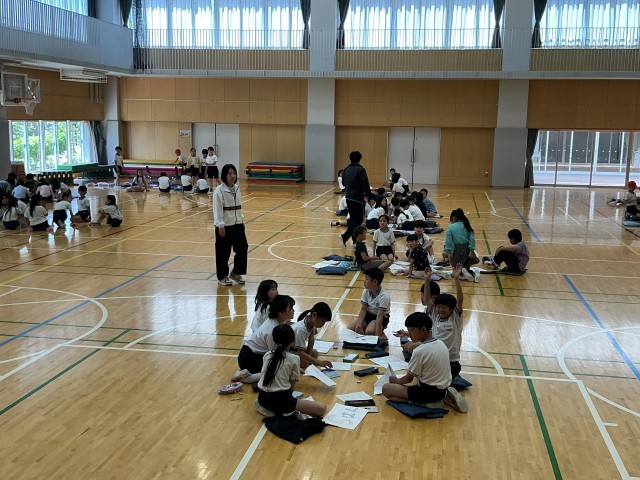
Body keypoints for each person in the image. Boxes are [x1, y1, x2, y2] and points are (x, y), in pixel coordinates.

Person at [416, 264, 469, 412]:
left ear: (451, 309)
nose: (441, 310)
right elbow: (427, 299)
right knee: (422, 382)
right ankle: (447, 393)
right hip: (436, 359)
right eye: (439, 307)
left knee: (433, 387)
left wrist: (456, 279)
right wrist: (427, 280)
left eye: (444, 307)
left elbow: (460, 300)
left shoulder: (455, 318)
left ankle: (446, 393)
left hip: (451, 362)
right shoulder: (434, 315)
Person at [255, 323, 327, 418]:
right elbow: (292, 387)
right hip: (281, 400)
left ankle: (268, 409)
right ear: (293, 341)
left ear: (274, 340)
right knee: (322, 409)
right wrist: (291, 402)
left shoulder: (267, 355)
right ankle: (279, 411)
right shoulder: (294, 358)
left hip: (262, 398)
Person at [382, 312, 451, 408]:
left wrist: (396, 381)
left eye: (412, 330)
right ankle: (440, 397)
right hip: (442, 389)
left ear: (423, 330)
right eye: (408, 330)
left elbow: (408, 379)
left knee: (386, 389)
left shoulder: (419, 351)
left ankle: (428, 403)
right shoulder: (441, 343)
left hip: (428, 392)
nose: (409, 334)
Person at [235, 295, 296, 382]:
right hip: (249, 358)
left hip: (257, 355)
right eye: (291, 308)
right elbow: (274, 355)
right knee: (277, 372)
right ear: (281, 313)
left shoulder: (276, 321)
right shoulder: (271, 330)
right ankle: (245, 378)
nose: (293, 310)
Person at [213, 164, 248, 286]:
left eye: (234, 173)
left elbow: (238, 207)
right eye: (229, 173)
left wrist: (241, 220)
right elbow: (217, 209)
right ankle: (222, 276)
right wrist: (220, 225)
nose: (232, 176)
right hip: (225, 226)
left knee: (243, 248)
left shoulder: (237, 188)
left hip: (237, 224)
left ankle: (236, 272)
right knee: (223, 252)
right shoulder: (219, 190)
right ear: (224, 175)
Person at [348, 267, 391, 339]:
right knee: (350, 329)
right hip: (368, 315)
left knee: (369, 332)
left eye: (367, 279)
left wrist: (377, 336)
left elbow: (379, 316)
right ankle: (367, 327)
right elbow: (363, 310)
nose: (364, 281)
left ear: (375, 282)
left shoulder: (384, 296)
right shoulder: (366, 291)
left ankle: (381, 333)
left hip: (381, 317)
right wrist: (359, 325)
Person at [340, 151, 371, 246]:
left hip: (348, 198)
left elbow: (344, 183)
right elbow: (365, 184)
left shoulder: (346, 169)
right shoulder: (361, 169)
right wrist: (369, 197)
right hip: (357, 199)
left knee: (353, 220)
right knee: (358, 221)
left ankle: (355, 241)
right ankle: (345, 236)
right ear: (359, 159)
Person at [292, 302, 333, 369]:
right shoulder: (301, 329)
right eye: (323, 321)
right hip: (289, 350)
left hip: (296, 349)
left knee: (315, 353)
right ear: (314, 315)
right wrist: (318, 362)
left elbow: (311, 338)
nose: (323, 324)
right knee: (304, 363)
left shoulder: (311, 321)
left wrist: (309, 355)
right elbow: (299, 352)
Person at [443, 208, 478, 282]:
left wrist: (449, 252)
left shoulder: (450, 227)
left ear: (454, 217)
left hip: (457, 249)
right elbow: (472, 238)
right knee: (465, 264)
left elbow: (448, 241)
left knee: (455, 271)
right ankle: (472, 273)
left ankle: (463, 274)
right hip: (467, 248)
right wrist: (471, 250)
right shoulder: (466, 225)